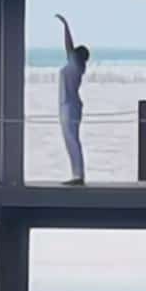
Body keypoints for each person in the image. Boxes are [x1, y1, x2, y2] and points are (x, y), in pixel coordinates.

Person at [55, 14, 89, 185]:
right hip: (67, 104)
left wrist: (65, 26)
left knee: (72, 140)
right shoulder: (76, 66)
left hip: (70, 105)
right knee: (70, 140)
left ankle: (78, 176)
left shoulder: (75, 65)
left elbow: (68, 46)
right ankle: (77, 174)